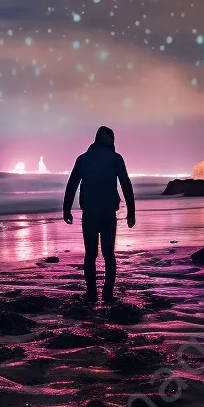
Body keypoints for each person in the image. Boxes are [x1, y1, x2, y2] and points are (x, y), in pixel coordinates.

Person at [62, 126, 136, 303]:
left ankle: (92, 293)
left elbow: (72, 184)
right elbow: (126, 185)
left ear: (95, 140)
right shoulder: (115, 159)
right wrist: (131, 212)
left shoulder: (84, 159)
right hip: (108, 213)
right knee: (108, 254)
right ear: (111, 140)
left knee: (90, 254)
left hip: (90, 212)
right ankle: (108, 294)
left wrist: (66, 208)